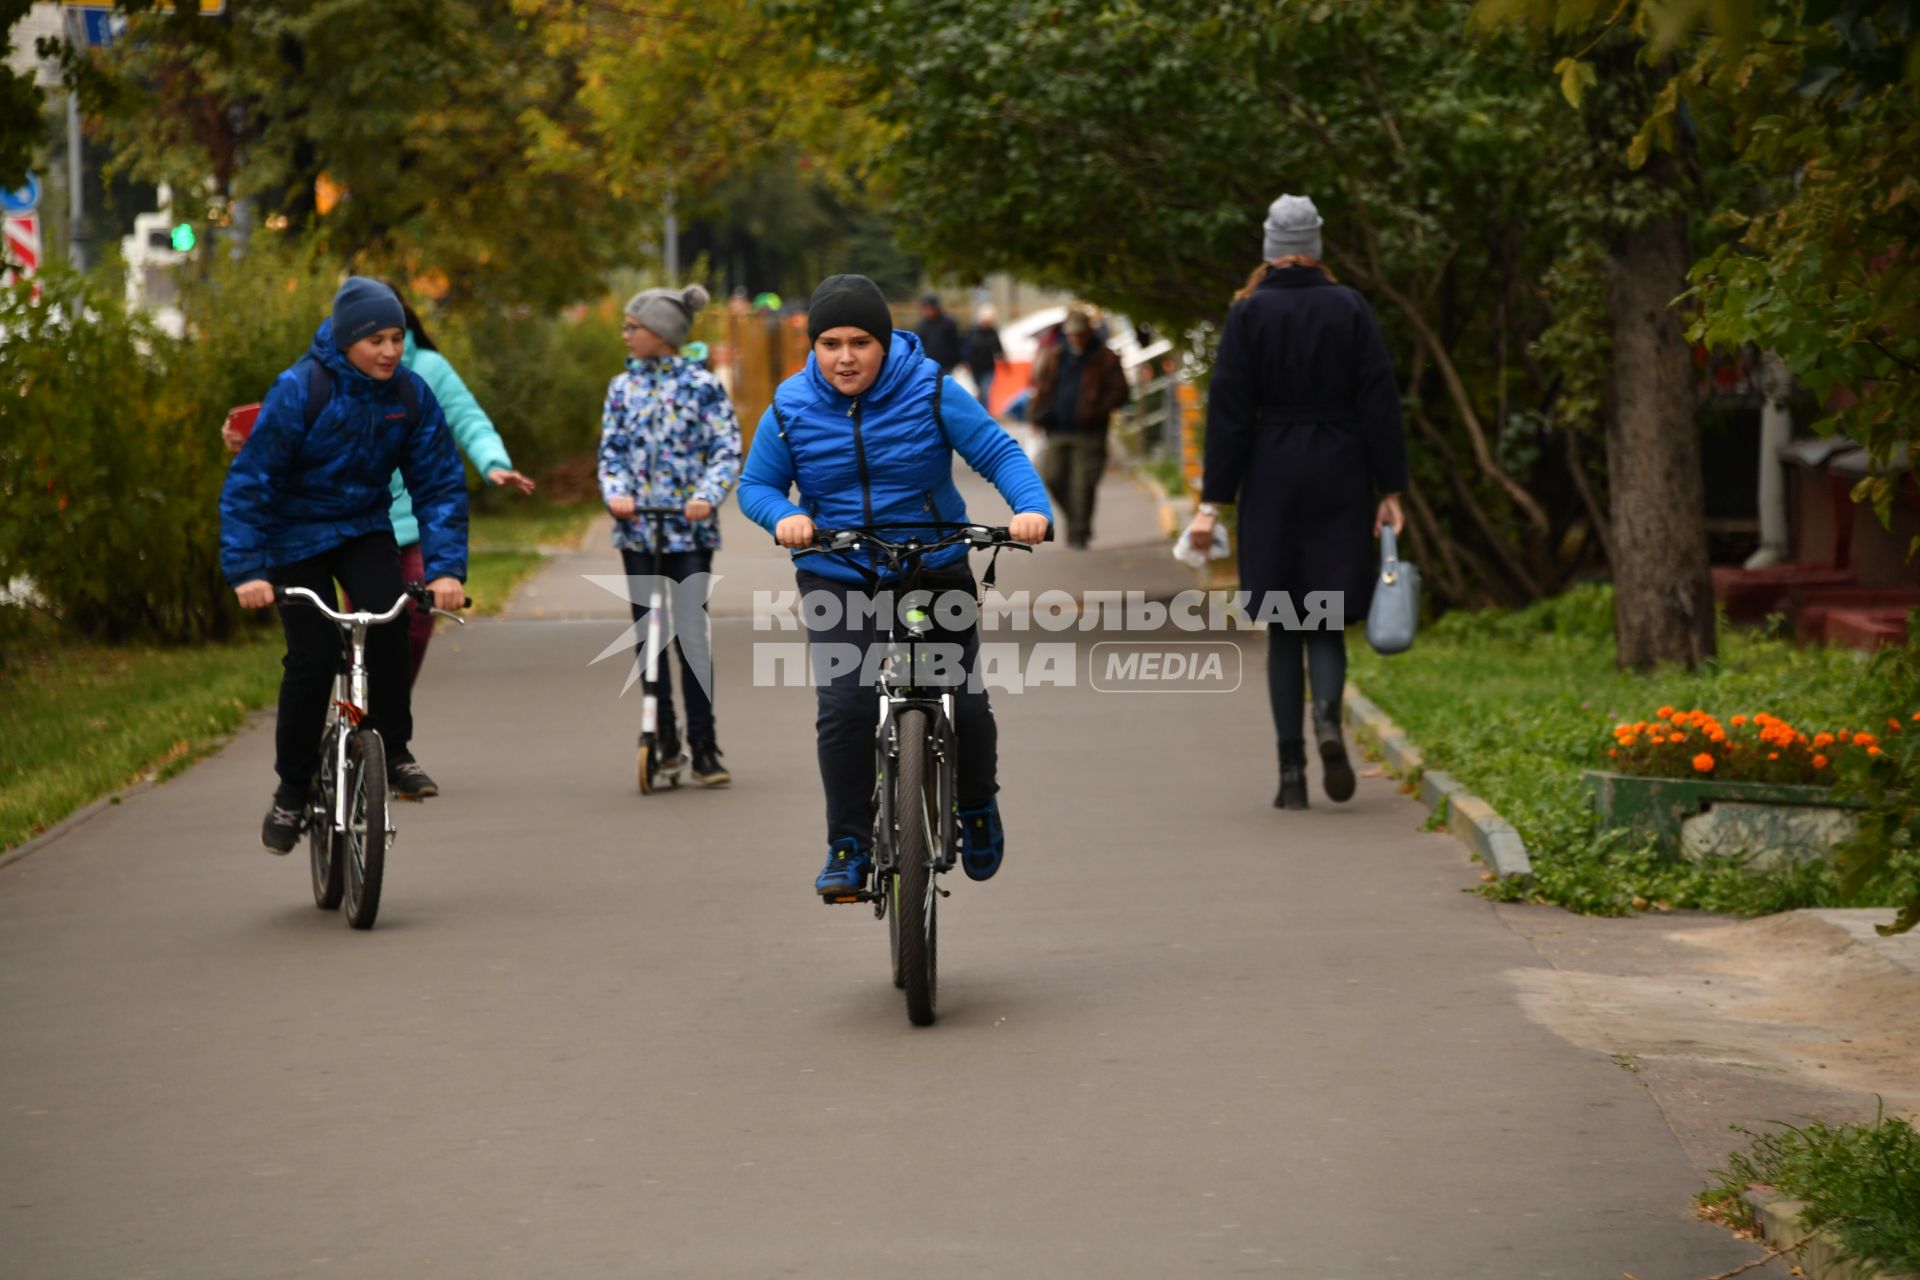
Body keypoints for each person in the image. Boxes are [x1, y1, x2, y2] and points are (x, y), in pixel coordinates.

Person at [736, 273, 1051, 897]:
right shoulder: (790, 405)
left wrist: (1029, 508)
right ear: (814, 346)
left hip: (932, 562)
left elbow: (999, 452)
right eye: (830, 343)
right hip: (841, 570)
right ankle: (848, 842)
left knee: (964, 698)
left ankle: (976, 804)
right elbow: (756, 487)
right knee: (846, 703)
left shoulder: (931, 389)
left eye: (858, 342)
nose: (844, 357)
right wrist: (787, 517)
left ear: (883, 343)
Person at [221, 277, 469, 854]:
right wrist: (247, 572)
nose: (389, 351)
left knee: (388, 624)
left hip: (362, 528)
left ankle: (394, 748)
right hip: (295, 537)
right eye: (375, 340)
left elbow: (439, 484)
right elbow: (250, 483)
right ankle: (290, 787)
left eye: (396, 338)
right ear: (347, 338)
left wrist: (445, 570)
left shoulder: (408, 395)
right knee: (311, 658)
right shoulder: (301, 389)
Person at [1191, 194, 1408, 811]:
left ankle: (1291, 774)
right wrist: (1389, 489)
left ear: (1268, 246)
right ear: (1316, 244)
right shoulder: (1350, 307)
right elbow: (1380, 402)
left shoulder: (1248, 313)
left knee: (1285, 626)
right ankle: (1329, 726)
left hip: (1272, 475)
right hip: (1341, 471)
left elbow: (1230, 413)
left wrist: (1213, 501)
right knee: (1328, 622)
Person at [598, 283, 743, 787]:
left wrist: (707, 494)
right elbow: (611, 453)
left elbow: (727, 447)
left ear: (661, 333)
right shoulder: (622, 388)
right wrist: (616, 493)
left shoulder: (701, 386)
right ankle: (662, 739)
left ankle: (704, 744)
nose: (626, 334)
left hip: (690, 530)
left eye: (633, 327)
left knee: (690, 635)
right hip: (637, 528)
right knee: (648, 636)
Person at [1031, 308, 1130, 549]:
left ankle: (1078, 533)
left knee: (1082, 486)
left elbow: (1121, 392)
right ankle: (1076, 520)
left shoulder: (1105, 358)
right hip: (1057, 429)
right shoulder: (1056, 355)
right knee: (1052, 477)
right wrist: (1036, 415)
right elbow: (1042, 386)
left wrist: (1097, 410)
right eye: (1071, 334)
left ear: (1088, 333)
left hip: (1089, 432)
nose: (1075, 338)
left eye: (1079, 334)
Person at [964, 304, 1006, 411]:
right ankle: (979, 410)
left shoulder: (993, 333)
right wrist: (966, 361)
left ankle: (985, 412)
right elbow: (967, 347)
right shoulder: (973, 332)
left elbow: (998, 348)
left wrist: (1002, 358)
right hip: (975, 367)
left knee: (985, 390)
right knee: (979, 390)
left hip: (988, 367)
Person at [914, 292, 965, 378]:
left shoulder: (948, 323)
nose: (927, 311)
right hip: (929, 364)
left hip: (947, 364)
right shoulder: (922, 325)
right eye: (925, 308)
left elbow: (956, 342)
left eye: (930, 308)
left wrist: (960, 359)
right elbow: (920, 345)